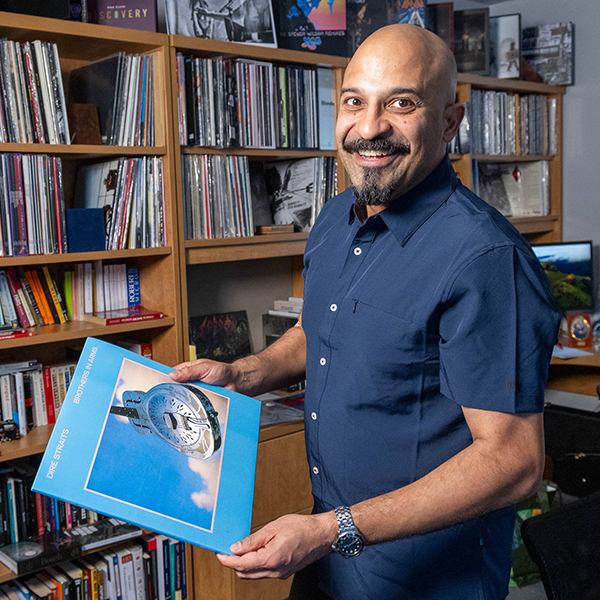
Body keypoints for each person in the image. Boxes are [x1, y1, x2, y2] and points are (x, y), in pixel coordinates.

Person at [170, 24, 561, 600]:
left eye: (401, 103)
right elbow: (318, 333)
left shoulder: (484, 259)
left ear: (449, 123)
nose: (370, 127)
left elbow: (514, 461)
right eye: (355, 101)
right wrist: (240, 375)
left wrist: (333, 531)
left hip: (424, 580)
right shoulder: (334, 220)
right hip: (332, 563)